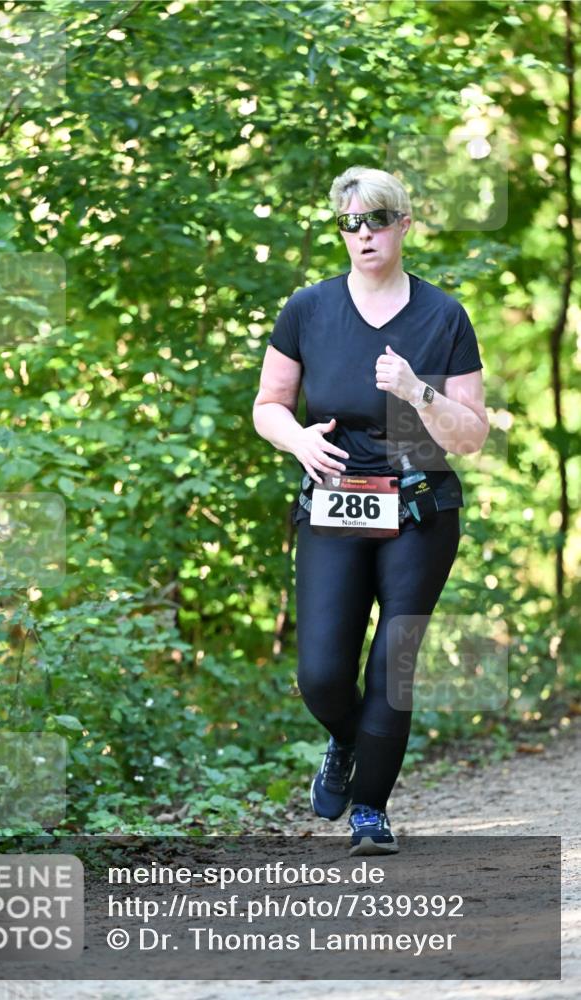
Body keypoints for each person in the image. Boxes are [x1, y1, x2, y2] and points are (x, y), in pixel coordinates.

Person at [252, 166, 489, 855]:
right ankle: (348, 743)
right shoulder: (308, 309)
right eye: (348, 224)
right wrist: (296, 439)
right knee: (322, 672)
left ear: (403, 225)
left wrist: (418, 393)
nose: (362, 235)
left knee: (393, 666)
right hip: (332, 505)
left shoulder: (442, 316)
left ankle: (369, 810)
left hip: (419, 511)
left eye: (375, 221)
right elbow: (269, 404)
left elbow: (469, 436)